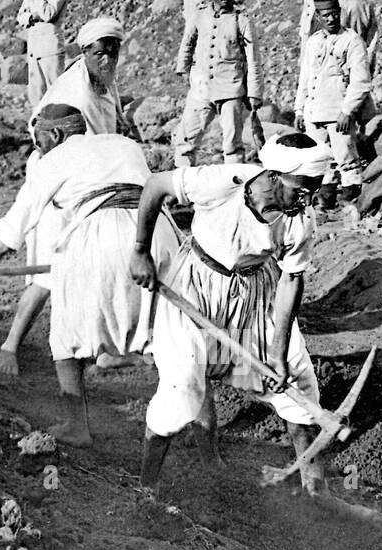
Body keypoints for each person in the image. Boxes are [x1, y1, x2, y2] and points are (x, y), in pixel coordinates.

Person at [0, 109, 179, 446]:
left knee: (65, 336)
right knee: (172, 332)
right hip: (158, 232)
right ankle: (195, 428)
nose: (38, 150)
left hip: (104, 233)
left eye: (39, 142)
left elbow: (8, 235)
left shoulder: (51, 161)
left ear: (55, 136)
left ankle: (76, 426)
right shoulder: (124, 144)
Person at [130, 132, 335, 495]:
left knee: (297, 381)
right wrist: (141, 250)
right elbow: (155, 185)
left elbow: (291, 282)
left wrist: (276, 352)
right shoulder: (221, 183)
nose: (307, 201)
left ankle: (316, 494)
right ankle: (146, 488)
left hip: (256, 290)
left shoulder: (300, 220)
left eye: (313, 192)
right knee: (182, 387)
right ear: (274, 175)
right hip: (193, 284)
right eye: (301, 191)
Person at [0, 16, 131, 377]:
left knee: (92, 268)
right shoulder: (76, 93)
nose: (108, 59)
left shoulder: (103, 80)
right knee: (49, 275)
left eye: (113, 52)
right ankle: (10, 346)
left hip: (89, 182)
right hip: (61, 184)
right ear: (85, 52)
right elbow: (43, 132)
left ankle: (102, 348)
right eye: (101, 52)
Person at [174, 0, 263, 166]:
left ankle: (234, 188)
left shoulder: (241, 20)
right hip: (201, 88)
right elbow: (187, 43)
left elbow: (253, 59)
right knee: (186, 140)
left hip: (230, 89)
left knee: (232, 145)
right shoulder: (199, 16)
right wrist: (184, 69)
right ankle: (181, 184)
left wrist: (254, 93)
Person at [295, 0, 372, 213]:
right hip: (314, 112)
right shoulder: (313, 42)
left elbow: (361, 81)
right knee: (320, 161)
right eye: (325, 15)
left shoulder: (352, 41)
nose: (330, 19)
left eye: (334, 14)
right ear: (318, 16)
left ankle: (353, 205)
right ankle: (325, 207)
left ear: (340, 12)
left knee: (346, 157)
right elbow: (305, 77)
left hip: (337, 111)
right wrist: (300, 110)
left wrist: (347, 111)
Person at [16, 0, 69, 107]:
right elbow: (20, 16)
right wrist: (32, 16)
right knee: (36, 97)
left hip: (50, 49)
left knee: (56, 95)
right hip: (34, 50)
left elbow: (48, 14)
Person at [336, 0, 379, 76]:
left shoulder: (327, 6)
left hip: (334, 67)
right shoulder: (364, 6)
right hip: (358, 62)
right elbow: (372, 40)